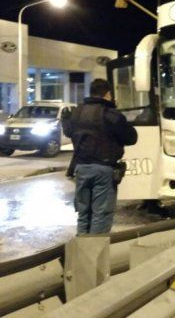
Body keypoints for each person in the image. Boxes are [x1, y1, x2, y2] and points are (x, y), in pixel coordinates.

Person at [62, 79, 137, 235]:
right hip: (103, 170)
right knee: (101, 216)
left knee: (84, 214)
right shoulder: (111, 115)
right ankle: (95, 256)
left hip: (81, 169)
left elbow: (69, 132)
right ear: (108, 94)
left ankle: (82, 253)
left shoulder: (78, 112)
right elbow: (131, 138)